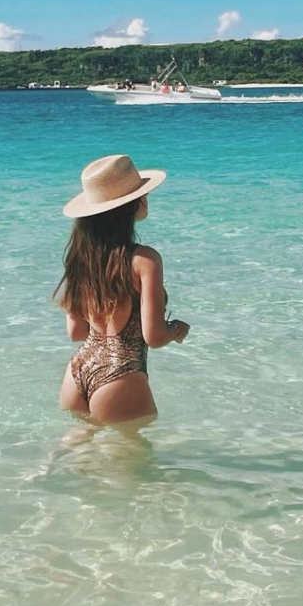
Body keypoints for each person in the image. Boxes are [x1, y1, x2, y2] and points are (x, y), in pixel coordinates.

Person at [56, 154, 190, 424]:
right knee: (133, 462)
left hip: (77, 372)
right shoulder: (145, 260)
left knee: (76, 456)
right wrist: (176, 329)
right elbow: (153, 336)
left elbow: (76, 332)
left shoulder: (80, 259)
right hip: (120, 375)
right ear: (132, 205)